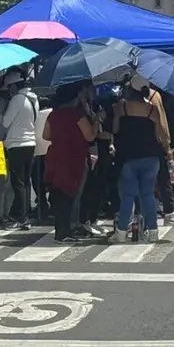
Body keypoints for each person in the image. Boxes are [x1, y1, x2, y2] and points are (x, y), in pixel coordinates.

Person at [110, 75, 170, 242]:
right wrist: (167, 149)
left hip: (128, 155)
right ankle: (153, 231)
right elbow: (161, 133)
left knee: (128, 194)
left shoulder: (122, 107)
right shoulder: (152, 109)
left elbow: (115, 129)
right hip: (151, 156)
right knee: (148, 194)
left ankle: (121, 232)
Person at [44, 83, 100, 242]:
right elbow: (89, 136)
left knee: (59, 193)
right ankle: (69, 228)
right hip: (75, 157)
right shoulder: (78, 115)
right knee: (73, 194)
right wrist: (96, 122)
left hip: (56, 156)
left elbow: (46, 135)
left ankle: (61, 228)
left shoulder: (54, 115)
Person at [0, 69, 39, 230]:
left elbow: (6, 122)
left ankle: (21, 217)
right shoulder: (34, 98)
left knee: (18, 182)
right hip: (30, 143)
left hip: (17, 144)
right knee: (25, 181)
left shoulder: (17, 99)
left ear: (14, 86)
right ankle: (23, 214)